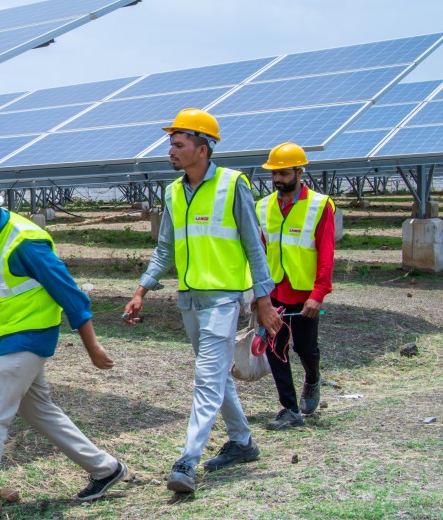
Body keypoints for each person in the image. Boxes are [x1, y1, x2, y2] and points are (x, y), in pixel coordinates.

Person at [0, 172, 126, 520]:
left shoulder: (26, 243)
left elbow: (71, 296)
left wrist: (93, 347)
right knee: (37, 409)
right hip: (10, 337)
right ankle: (106, 469)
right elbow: (2, 291)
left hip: (28, 341)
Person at [122, 108, 281, 494]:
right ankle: (242, 441)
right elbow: (165, 249)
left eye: (178, 144)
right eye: (171, 144)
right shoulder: (173, 192)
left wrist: (264, 299)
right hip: (189, 300)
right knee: (218, 375)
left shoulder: (233, 184)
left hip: (224, 300)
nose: (171, 151)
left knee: (206, 380)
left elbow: (254, 247)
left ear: (203, 149)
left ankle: (187, 460)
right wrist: (142, 290)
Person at [254, 142, 336, 430]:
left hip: (304, 294)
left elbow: (326, 253)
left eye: (284, 173)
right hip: (273, 292)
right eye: (274, 174)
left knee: (305, 347)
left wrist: (319, 293)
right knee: (274, 348)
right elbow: (259, 252)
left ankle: (312, 380)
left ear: (299, 173)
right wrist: (257, 293)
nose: (277, 179)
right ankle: (289, 408)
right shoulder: (262, 207)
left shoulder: (319, 205)